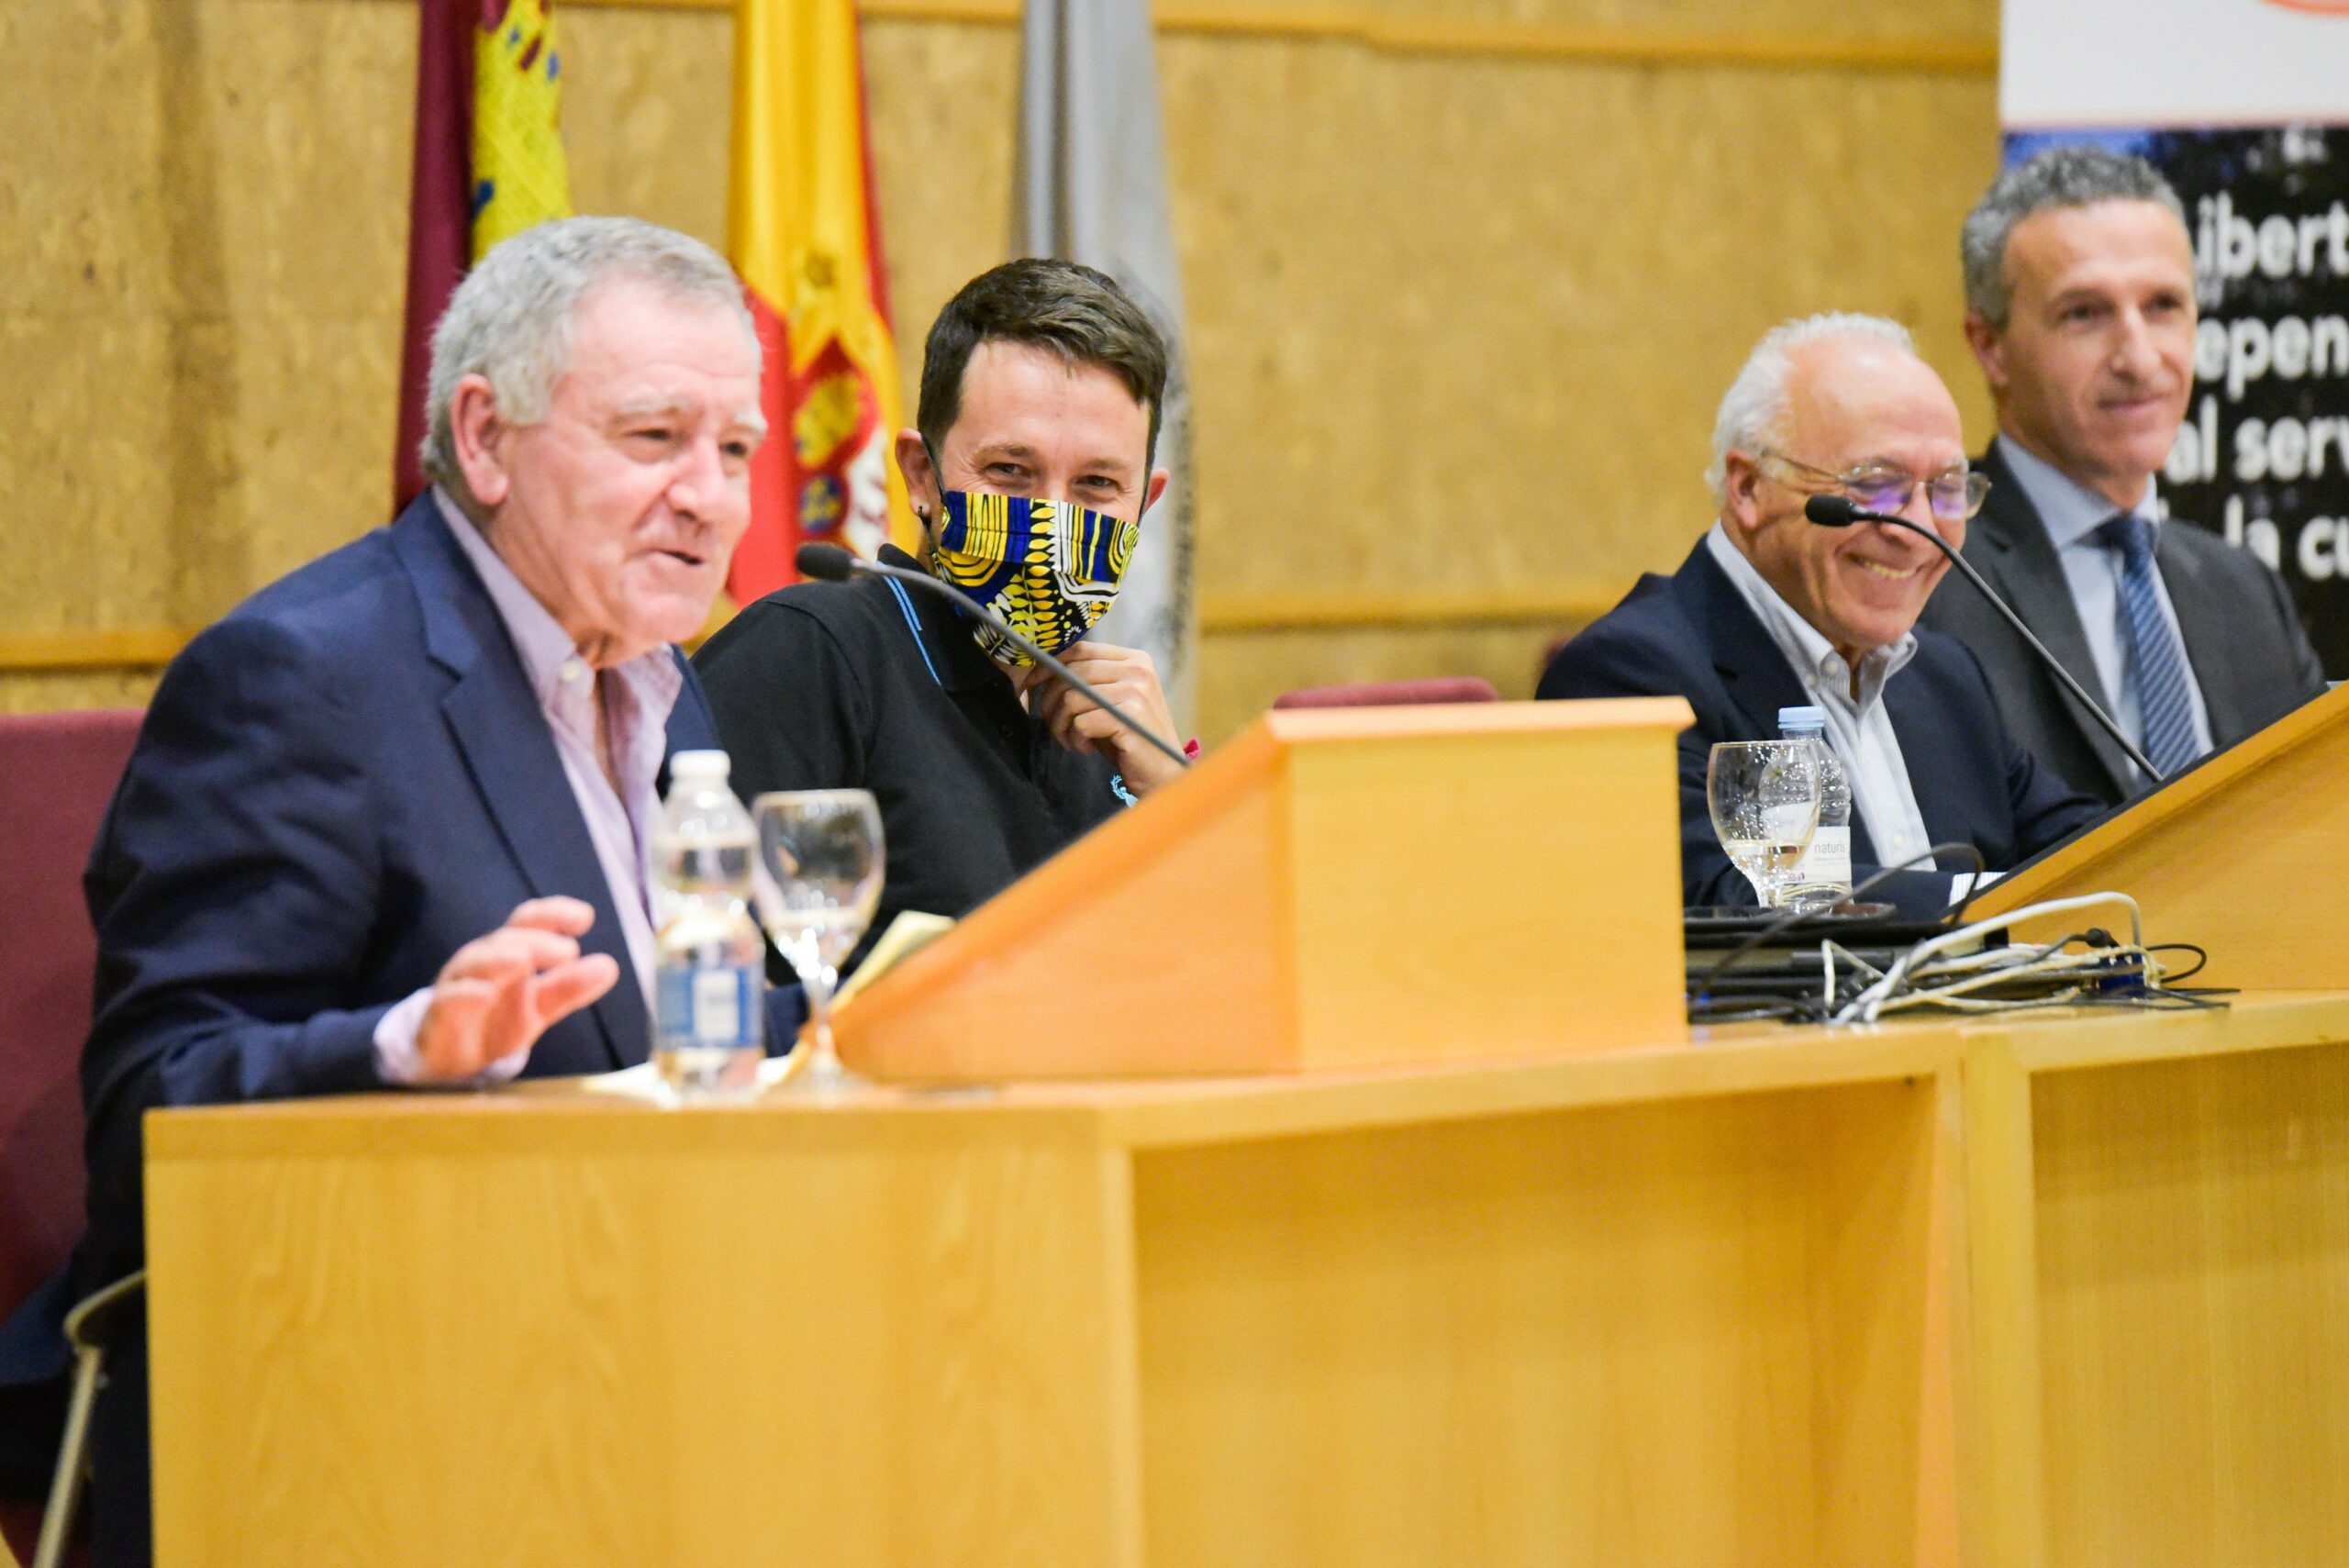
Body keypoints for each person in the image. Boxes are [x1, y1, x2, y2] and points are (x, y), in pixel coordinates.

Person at [15, 216, 779, 1567]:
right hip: (344, 1428)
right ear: (483, 436)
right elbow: (152, 1115)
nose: (713, 499)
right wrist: (404, 1045)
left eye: (736, 452)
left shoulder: (663, 687)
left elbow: (682, 1041)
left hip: (630, 1359)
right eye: (657, 439)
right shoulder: (302, 680)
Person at [695, 259, 1184, 959]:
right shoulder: (812, 656)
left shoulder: (1115, 732)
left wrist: (1174, 799)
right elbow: (705, 968)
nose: (1052, 520)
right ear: (921, 475)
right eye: (1011, 471)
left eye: (1096, 484)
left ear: (1145, 503)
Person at [1538, 313, 2103, 915]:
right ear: (1749, 488)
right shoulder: (1631, 677)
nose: (1918, 530)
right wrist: (2005, 902)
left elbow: (2096, 852)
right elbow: (1733, 904)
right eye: (1875, 485)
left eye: (1945, 489)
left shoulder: (1944, 678)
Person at [1920, 145, 2327, 806]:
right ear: (1989, 346)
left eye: (2164, 305)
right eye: (2084, 313)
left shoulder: (2246, 595)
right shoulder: (1928, 572)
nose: (2139, 358)